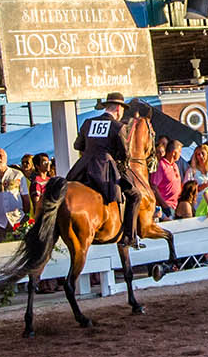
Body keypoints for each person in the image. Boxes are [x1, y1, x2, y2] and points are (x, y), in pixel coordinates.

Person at [64, 92, 150, 247]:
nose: (122, 113)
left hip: (83, 168)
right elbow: (124, 154)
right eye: (122, 109)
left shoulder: (88, 123)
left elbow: (77, 145)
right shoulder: (118, 127)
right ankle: (129, 237)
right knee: (135, 195)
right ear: (118, 108)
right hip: (105, 169)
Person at [151, 138, 184, 218]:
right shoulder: (161, 165)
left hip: (176, 206)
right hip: (165, 208)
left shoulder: (175, 165)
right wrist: (164, 205)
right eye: (179, 152)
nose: (180, 154)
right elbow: (153, 186)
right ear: (173, 152)